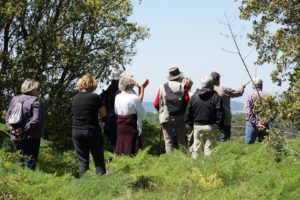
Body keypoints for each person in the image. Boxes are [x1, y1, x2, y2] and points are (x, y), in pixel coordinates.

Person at [71, 74, 106, 177]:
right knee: (98, 158)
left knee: (82, 160)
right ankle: (101, 182)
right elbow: (103, 114)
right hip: (91, 130)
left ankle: (84, 184)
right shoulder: (95, 97)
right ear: (93, 84)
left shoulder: (74, 98)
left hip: (76, 130)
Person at [5, 79, 44, 170]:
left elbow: (7, 117)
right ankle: (28, 182)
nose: (39, 91)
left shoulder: (14, 99)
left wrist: (12, 130)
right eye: (38, 89)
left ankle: (18, 181)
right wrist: (23, 130)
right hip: (32, 136)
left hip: (16, 135)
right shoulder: (35, 101)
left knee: (19, 161)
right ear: (33, 89)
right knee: (30, 162)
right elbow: (35, 120)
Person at [185, 75, 223, 159]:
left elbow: (188, 111)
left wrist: (190, 124)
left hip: (197, 126)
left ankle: (194, 168)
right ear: (212, 84)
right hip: (210, 126)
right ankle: (209, 169)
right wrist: (218, 125)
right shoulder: (215, 96)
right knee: (209, 150)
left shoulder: (194, 96)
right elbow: (219, 112)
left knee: (196, 149)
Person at [154, 67, 188, 153]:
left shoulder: (162, 87)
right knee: (182, 142)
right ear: (179, 76)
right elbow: (188, 102)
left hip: (166, 116)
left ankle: (169, 162)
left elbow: (156, 103)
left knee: (168, 142)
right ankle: (183, 162)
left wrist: (161, 111)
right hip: (180, 117)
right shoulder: (183, 87)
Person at [114, 73, 148, 155]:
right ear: (131, 84)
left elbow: (116, 111)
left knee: (121, 148)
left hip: (120, 127)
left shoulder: (117, 96)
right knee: (133, 150)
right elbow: (143, 115)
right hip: (132, 128)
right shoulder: (134, 98)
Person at [211, 72, 246, 141]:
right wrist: (242, 87)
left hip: (212, 120)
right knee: (224, 140)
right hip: (225, 119)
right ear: (218, 80)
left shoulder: (207, 90)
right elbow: (238, 93)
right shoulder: (223, 90)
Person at [100, 70, 122, 149]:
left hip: (108, 119)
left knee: (111, 143)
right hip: (116, 118)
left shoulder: (108, 90)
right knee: (116, 142)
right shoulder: (119, 91)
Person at [244, 77, 269, 144]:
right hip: (265, 124)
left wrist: (256, 123)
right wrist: (264, 122)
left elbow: (248, 112)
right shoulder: (267, 96)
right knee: (265, 146)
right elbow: (272, 112)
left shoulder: (249, 96)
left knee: (249, 146)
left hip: (252, 124)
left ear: (253, 86)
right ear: (261, 85)